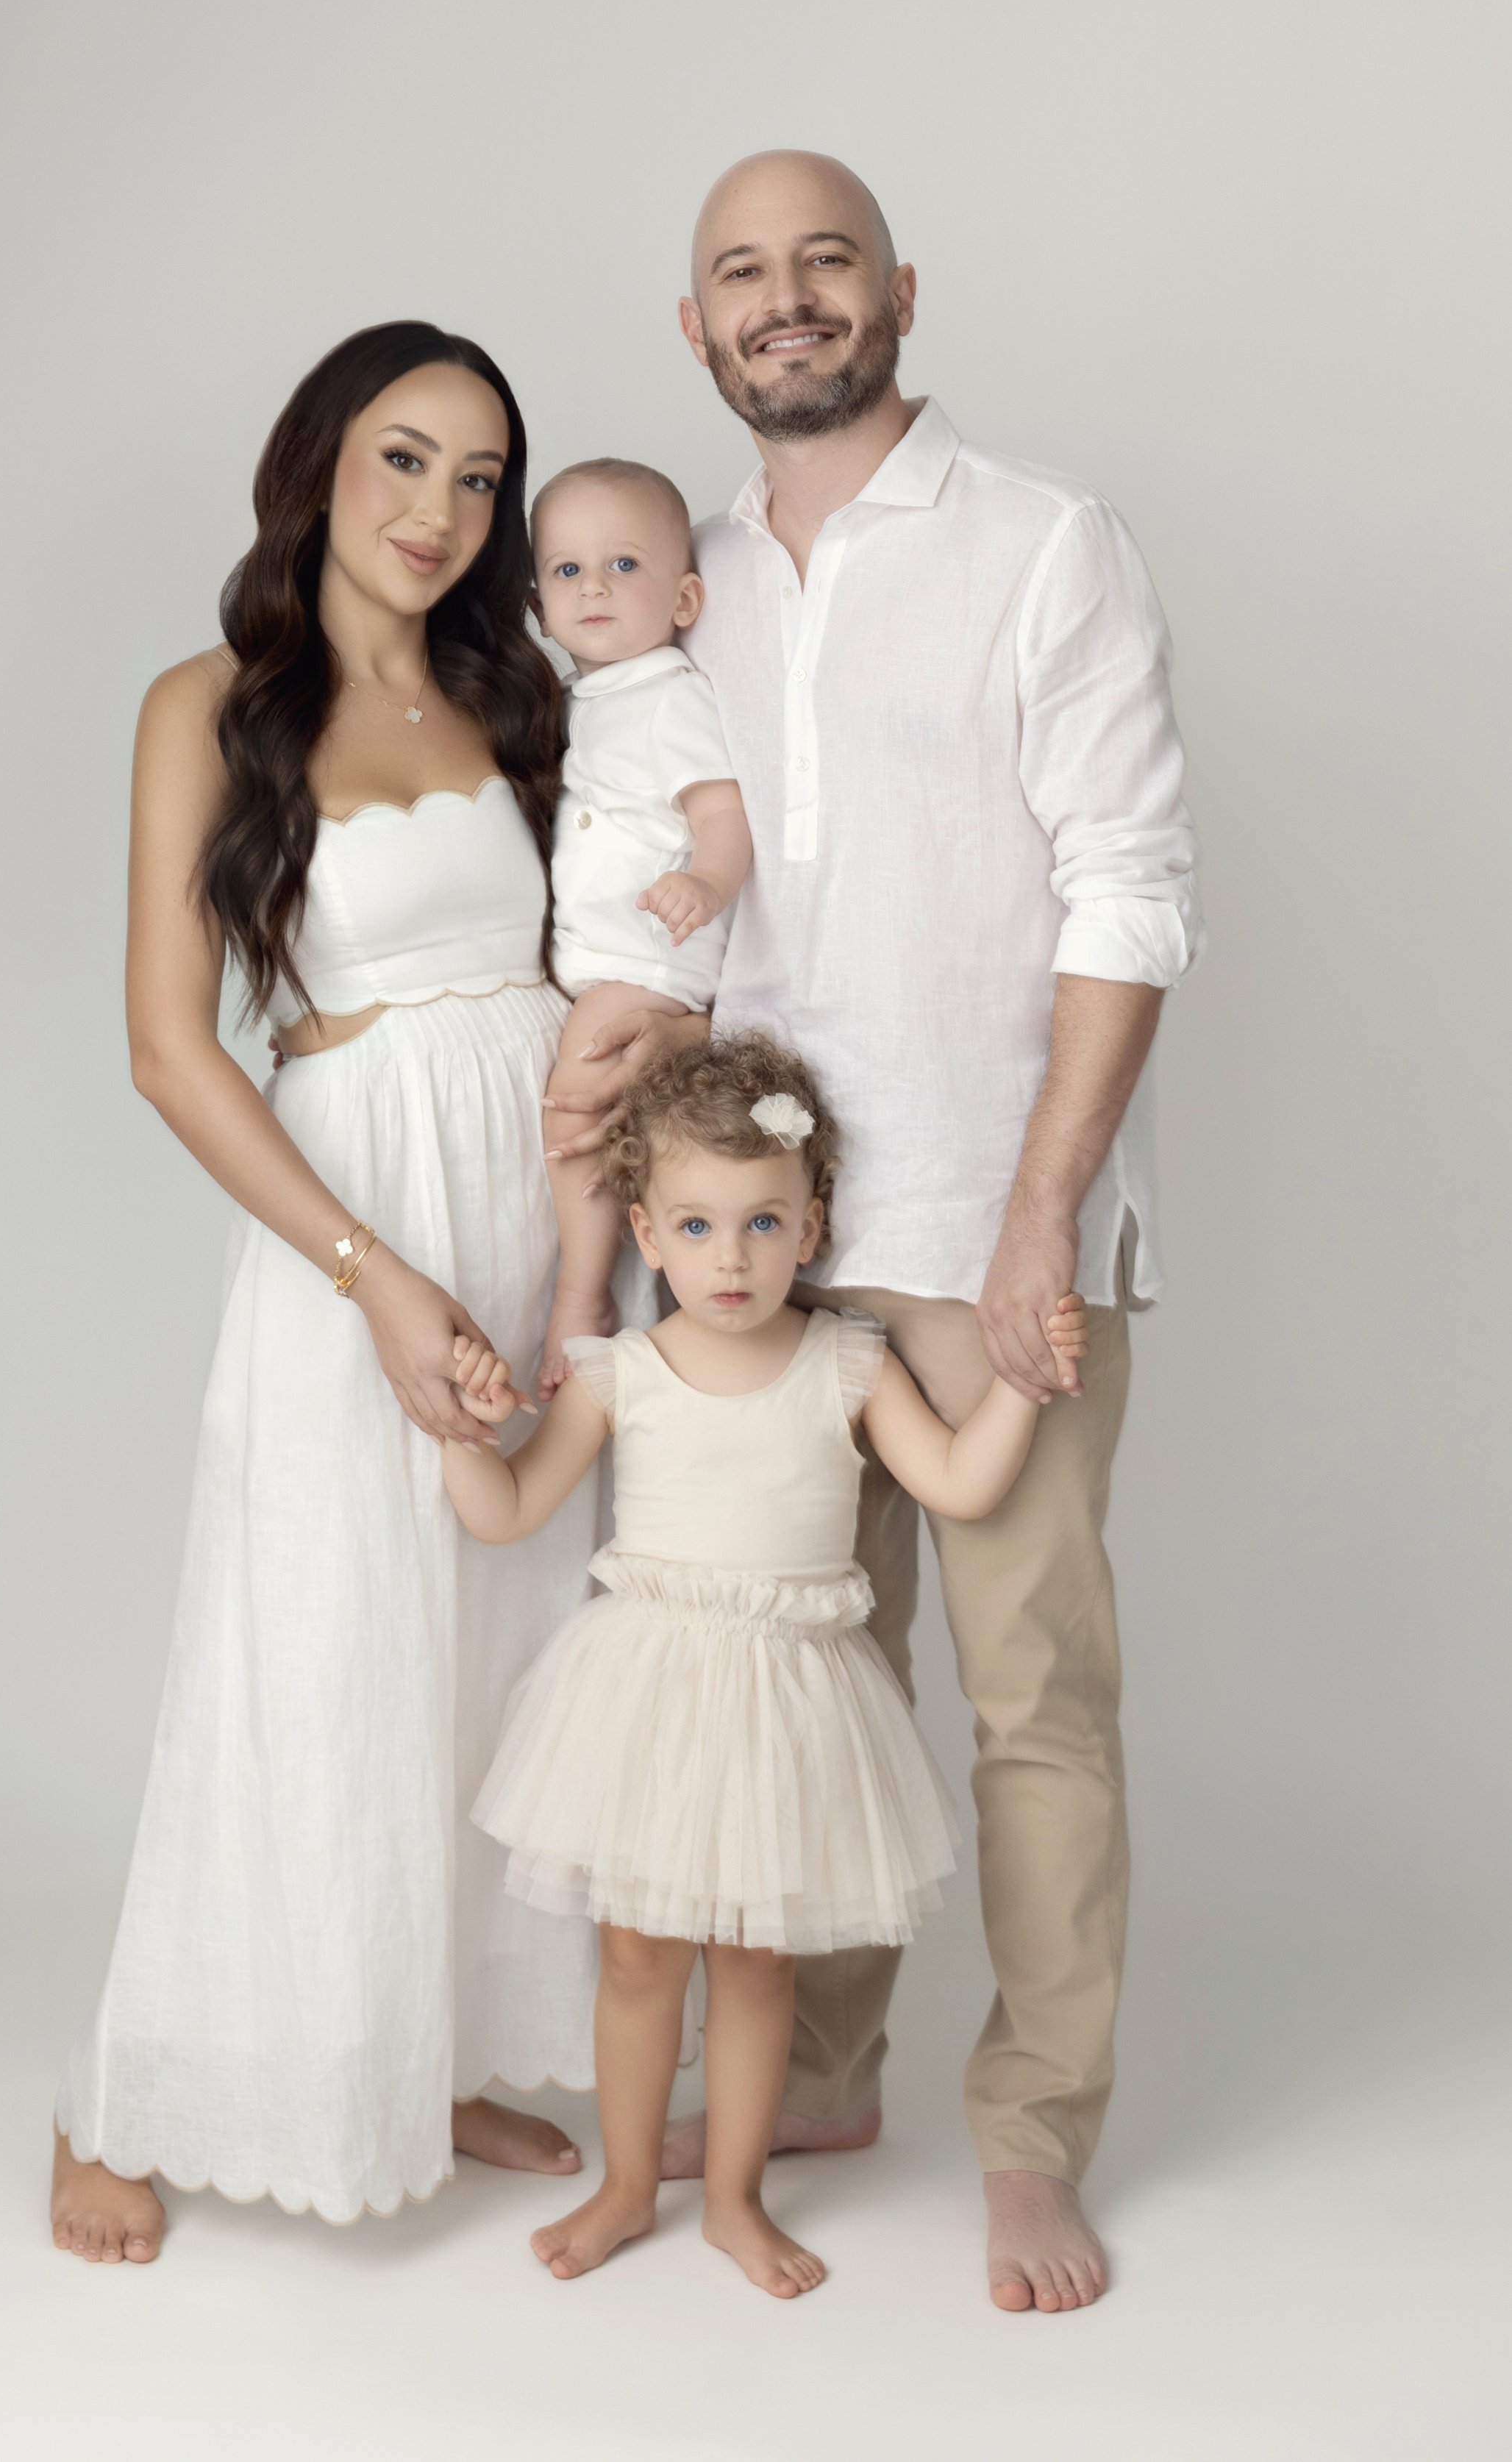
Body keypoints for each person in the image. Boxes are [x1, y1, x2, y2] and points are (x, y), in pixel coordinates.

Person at [545, 152, 1202, 2314]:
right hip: (751, 1233)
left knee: (1031, 1701)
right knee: (785, 1674)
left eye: (822, 257)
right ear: (693, 325)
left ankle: (1026, 2137)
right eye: (739, 269)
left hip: (985, 1225)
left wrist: (1035, 1219)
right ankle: (807, 2075)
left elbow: (1126, 884)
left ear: (894, 289)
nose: (784, 296)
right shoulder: (683, 581)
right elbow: (688, 888)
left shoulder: (1036, 540)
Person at [50, 321, 608, 2262]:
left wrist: (602, 1237)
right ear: (315, 457)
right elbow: (167, 1043)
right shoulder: (206, 705)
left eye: (476, 478)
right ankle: (126, 2093)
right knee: (306, 1649)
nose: (440, 512)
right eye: (402, 457)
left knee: (497, 1647)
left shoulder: (519, 691)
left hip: (535, 1212)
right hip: (354, 1224)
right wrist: (375, 1276)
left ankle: (424, 2046)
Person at [442, 1034, 1088, 2298]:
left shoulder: (851, 1363)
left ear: (815, 1225)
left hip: (791, 1707)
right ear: (643, 1231)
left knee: (756, 1962)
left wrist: (1021, 1382)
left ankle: (735, 2198)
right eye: (695, 1225)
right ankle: (629, 2186)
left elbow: (957, 1483)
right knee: (637, 1957)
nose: (729, 1259)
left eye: (762, 1223)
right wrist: (460, 1432)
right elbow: (509, 1512)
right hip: (651, 1703)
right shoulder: (620, 1376)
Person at [527, 458, 751, 1392]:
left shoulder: (668, 693)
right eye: (567, 571)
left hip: (647, 960)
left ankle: (582, 1294)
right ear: (537, 599)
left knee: (576, 1102)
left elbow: (725, 813)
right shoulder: (584, 699)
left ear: (684, 596)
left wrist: (705, 879)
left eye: (623, 565)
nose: (593, 589)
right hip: (605, 958)